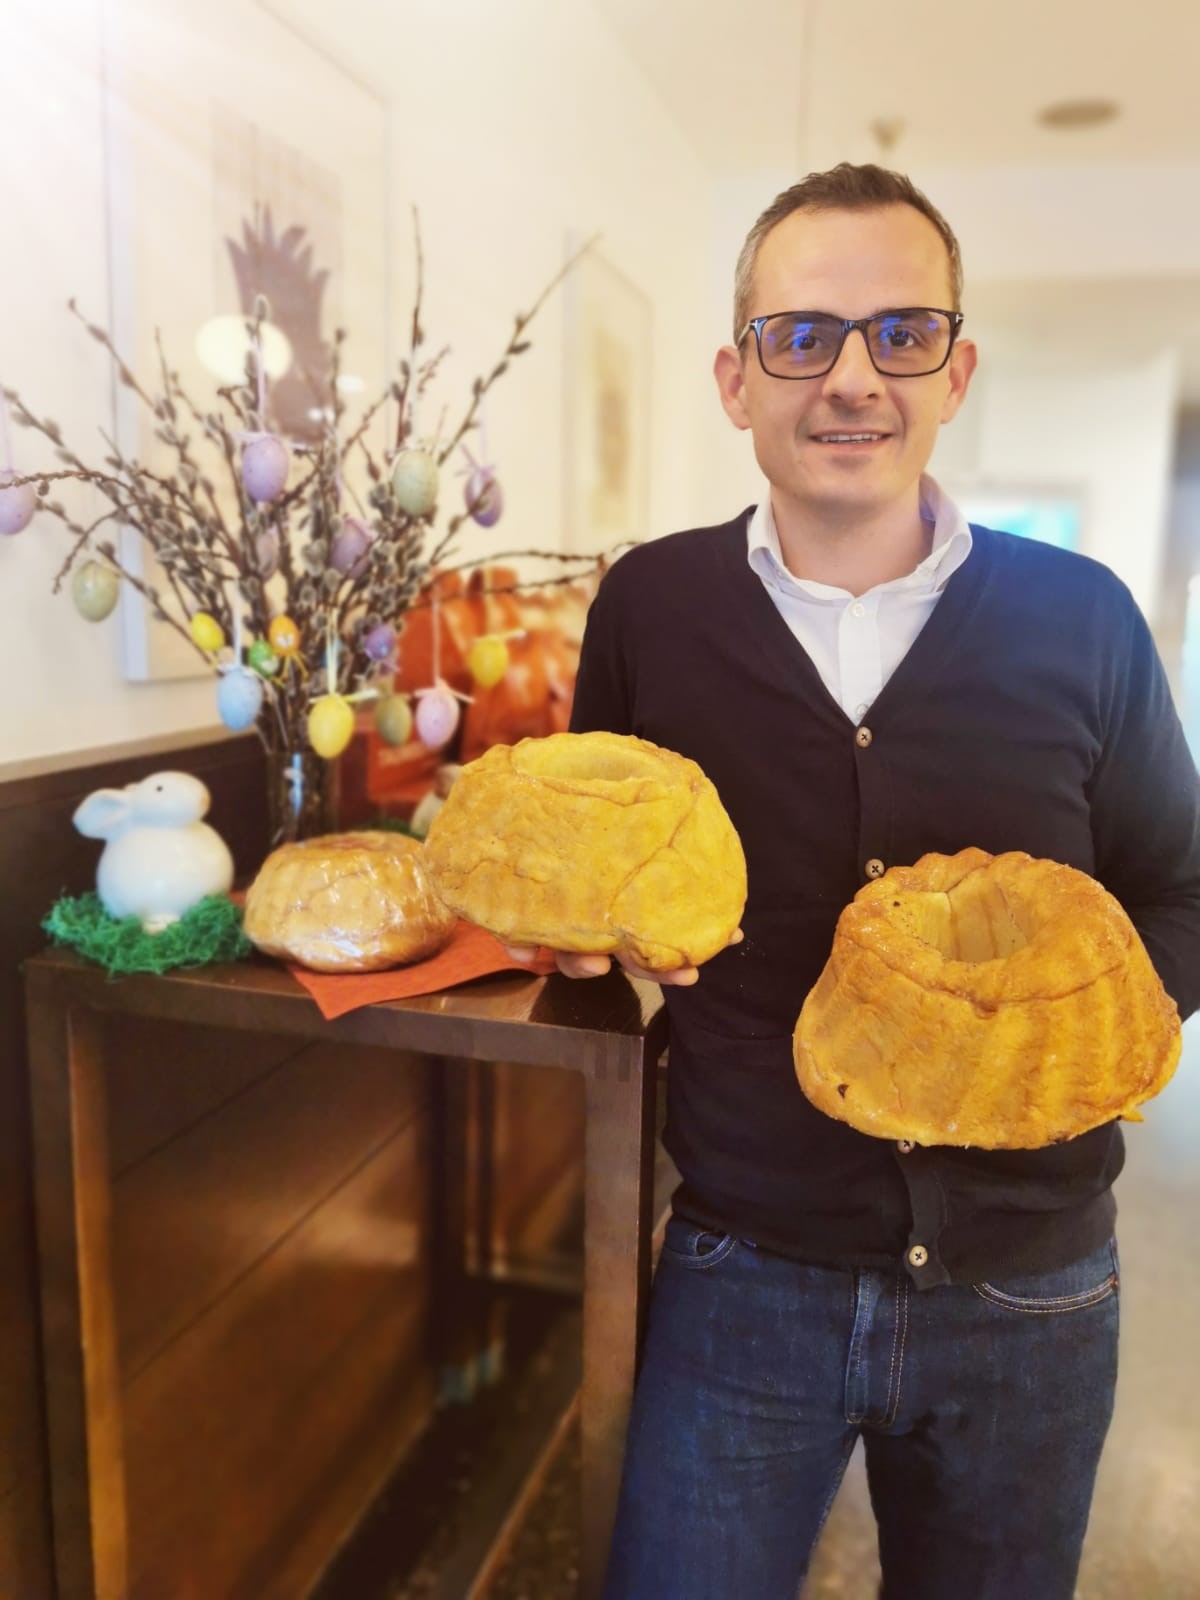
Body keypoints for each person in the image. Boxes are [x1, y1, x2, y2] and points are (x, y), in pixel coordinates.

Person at [506, 164, 1200, 1598]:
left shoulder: (1082, 620)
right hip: (746, 1268)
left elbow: (1182, 894)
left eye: (902, 332)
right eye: (801, 334)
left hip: (1033, 1286)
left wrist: (1061, 1045)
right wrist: (585, 943)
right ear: (735, 379)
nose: (852, 377)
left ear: (956, 373)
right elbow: (602, 868)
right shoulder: (651, 606)